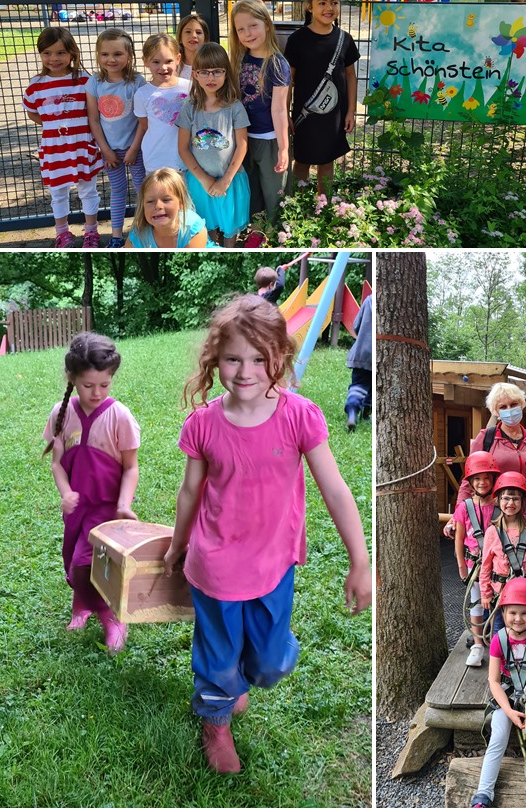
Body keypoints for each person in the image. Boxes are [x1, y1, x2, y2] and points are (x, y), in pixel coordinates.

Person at [164, 294, 371, 773]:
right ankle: (215, 722)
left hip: (274, 564)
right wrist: (178, 544)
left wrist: (360, 562)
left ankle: (239, 680)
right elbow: (189, 491)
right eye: (233, 358)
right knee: (217, 661)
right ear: (215, 359)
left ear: (280, 357)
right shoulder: (203, 424)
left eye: (260, 359)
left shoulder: (300, 415)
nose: (245, 371)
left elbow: (336, 491)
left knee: (272, 663)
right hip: (214, 566)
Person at [42, 332, 139, 652]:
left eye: (104, 384)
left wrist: (124, 504)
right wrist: (65, 492)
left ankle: (112, 616)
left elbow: (130, 467)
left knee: (86, 564)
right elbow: (57, 463)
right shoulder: (61, 413)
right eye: (88, 385)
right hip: (76, 508)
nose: (96, 392)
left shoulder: (119, 416)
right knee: (73, 560)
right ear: (72, 378)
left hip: (106, 508)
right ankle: (81, 606)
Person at [473, 578, 526, 809]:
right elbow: (494, 680)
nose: (518, 619)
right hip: (507, 696)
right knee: (498, 736)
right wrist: (509, 712)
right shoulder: (498, 640)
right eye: (512, 613)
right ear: (504, 612)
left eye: (524, 613)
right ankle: (483, 793)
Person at [22, 27, 104, 249]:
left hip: (82, 146)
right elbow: (31, 111)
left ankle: (91, 232)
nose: (54, 58)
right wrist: (52, 123)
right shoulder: (36, 85)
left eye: (60, 53)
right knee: (58, 192)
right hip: (54, 148)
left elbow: (93, 112)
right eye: (47, 53)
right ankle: (62, 233)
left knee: (88, 190)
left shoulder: (85, 81)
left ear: (72, 54)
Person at [286, 0, 360, 194]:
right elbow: (289, 79)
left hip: (334, 115)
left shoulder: (345, 40)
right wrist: (285, 113)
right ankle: (297, 205)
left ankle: (323, 206)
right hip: (304, 115)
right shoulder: (297, 40)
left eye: (334, 2)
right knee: (301, 162)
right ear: (309, 6)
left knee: (327, 162)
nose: (329, 8)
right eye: (322, 2)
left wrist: (351, 111)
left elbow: (350, 76)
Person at [177, 42, 251, 247]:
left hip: (231, 181)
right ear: (195, 74)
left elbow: (242, 145)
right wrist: (204, 179)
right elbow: (183, 148)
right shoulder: (189, 108)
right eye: (205, 72)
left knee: (229, 226)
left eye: (217, 71)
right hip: (200, 182)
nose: (211, 77)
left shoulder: (234, 107)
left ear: (226, 73)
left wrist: (225, 180)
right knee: (205, 227)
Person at [229, 0, 291, 225]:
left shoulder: (277, 64)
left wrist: (283, 148)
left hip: (269, 140)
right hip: (242, 140)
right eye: (241, 29)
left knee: (275, 194)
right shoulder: (237, 60)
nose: (247, 33)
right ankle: (256, 230)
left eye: (252, 25)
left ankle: (276, 235)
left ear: (266, 23)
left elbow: (280, 110)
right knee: (249, 193)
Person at [85, 28, 147, 248]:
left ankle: (142, 232)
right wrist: (105, 150)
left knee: (143, 190)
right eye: (105, 54)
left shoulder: (137, 82)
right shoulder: (94, 83)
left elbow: (143, 121)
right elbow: (94, 119)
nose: (111, 59)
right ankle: (116, 236)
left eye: (118, 54)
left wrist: (134, 148)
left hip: (135, 149)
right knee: (118, 190)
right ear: (98, 56)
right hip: (110, 152)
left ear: (129, 56)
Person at [453, 383, 526, 511]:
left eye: (513, 404)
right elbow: (468, 478)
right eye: (503, 407)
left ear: (521, 405)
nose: (509, 410)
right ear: (496, 411)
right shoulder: (486, 438)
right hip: (494, 510)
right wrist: (459, 512)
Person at [480, 471, 526, 635]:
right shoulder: (493, 531)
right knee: (499, 631)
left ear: (523, 502)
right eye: (506, 498)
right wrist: (485, 594)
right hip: (501, 594)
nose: (510, 503)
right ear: (498, 501)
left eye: (515, 499)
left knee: (525, 631)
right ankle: (500, 660)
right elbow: (485, 566)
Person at [455, 451, 500, 666]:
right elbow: (459, 538)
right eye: (477, 479)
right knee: (476, 603)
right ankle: (478, 644)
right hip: (474, 564)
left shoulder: (500, 506)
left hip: (497, 565)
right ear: (471, 481)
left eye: (486, 478)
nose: (482, 482)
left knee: (495, 601)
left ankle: (496, 641)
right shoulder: (465, 507)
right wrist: (461, 566)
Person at [135, 33, 190, 174]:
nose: (163, 67)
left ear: (178, 59)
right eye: (156, 62)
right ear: (145, 61)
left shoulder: (190, 88)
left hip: (187, 160)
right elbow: (146, 125)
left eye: (168, 61)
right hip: (156, 160)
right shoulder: (142, 94)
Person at [126, 168, 211, 248]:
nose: (158, 206)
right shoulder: (138, 236)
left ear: (181, 203)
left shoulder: (193, 231)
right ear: (143, 206)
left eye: (166, 200)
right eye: (150, 201)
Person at [344, 294, 372, 431]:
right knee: (374, 387)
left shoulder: (370, 300)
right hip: (380, 356)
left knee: (359, 384)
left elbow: (356, 326)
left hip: (362, 353)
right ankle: (366, 414)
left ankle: (352, 411)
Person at [176, 11, 208, 79]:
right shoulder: (174, 65)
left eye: (198, 32)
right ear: (180, 38)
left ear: (205, 38)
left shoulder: (212, 63)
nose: (193, 36)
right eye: (188, 32)